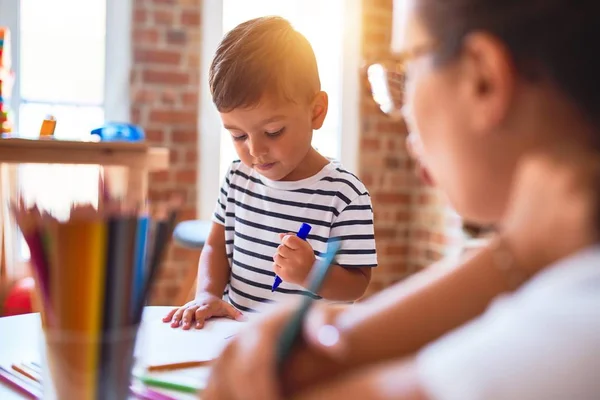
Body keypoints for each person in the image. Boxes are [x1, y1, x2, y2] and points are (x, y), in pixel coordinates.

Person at [202, 0, 600, 398]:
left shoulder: (575, 324)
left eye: (407, 67)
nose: (399, 109)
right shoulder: (555, 246)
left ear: (483, 79)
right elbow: (516, 256)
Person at [163, 17, 378, 330]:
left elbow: (358, 282)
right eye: (238, 136)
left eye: (273, 131)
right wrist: (208, 293)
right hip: (234, 334)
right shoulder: (237, 177)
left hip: (303, 347)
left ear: (316, 111)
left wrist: (311, 274)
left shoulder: (345, 194)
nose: (254, 150)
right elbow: (215, 246)